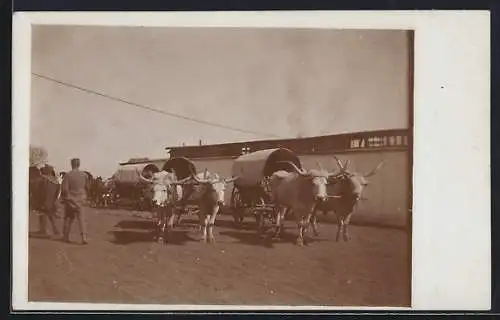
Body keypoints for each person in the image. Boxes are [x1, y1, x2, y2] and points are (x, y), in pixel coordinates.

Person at [61, 158, 90, 244]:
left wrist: (65, 197)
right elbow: (87, 187)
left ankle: (66, 236)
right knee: (81, 220)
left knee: (68, 218)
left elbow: (65, 189)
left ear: (71, 164)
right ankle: (84, 237)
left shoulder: (68, 175)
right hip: (80, 199)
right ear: (79, 164)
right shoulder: (84, 175)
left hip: (70, 200)